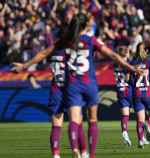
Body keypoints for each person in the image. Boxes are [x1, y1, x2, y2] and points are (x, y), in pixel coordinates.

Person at [13, 13, 141, 158]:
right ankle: (88, 154)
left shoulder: (65, 41)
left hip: (71, 85)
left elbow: (43, 53)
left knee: (72, 121)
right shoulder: (91, 40)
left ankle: (72, 151)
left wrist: (24, 66)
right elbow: (113, 55)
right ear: (86, 25)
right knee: (92, 120)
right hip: (89, 83)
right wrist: (130, 67)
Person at [129, 42, 150, 148]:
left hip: (136, 93)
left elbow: (129, 79)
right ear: (146, 51)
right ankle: (149, 125)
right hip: (148, 92)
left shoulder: (133, 62)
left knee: (140, 120)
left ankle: (140, 140)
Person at [113, 46, 133, 146]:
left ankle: (125, 131)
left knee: (125, 114)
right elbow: (129, 78)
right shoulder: (128, 64)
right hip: (128, 90)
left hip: (120, 90)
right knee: (140, 111)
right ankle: (142, 135)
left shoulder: (115, 64)